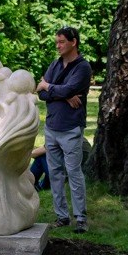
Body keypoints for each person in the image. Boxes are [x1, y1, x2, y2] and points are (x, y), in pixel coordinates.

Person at [36, 26, 92, 233]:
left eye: (61, 42)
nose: (57, 45)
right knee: (55, 173)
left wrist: (50, 87)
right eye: (57, 42)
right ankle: (62, 216)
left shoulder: (82, 67)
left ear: (73, 42)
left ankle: (81, 218)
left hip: (70, 128)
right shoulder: (55, 64)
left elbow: (51, 88)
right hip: (51, 126)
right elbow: (40, 93)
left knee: (74, 172)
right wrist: (65, 94)